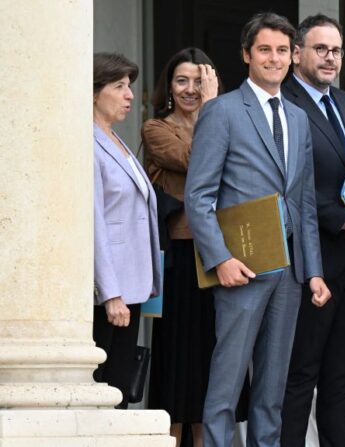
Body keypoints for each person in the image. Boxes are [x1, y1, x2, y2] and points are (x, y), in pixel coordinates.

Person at [185, 12, 331, 447]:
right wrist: (220, 259)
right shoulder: (222, 111)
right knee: (228, 381)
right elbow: (198, 196)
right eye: (265, 49)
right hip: (241, 267)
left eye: (283, 51)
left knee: (273, 386)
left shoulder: (299, 118)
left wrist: (314, 270)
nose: (274, 58)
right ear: (247, 54)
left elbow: (303, 201)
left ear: (294, 56)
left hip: (289, 271)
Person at [280, 14, 345, 447]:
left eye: (337, 50)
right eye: (321, 49)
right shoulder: (281, 105)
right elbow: (285, 185)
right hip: (309, 260)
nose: (331, 58)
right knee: (299, 376)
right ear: (297, 52)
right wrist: (343, 219)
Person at [142, 47, 248, 447]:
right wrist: (213, 106)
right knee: (177, 362)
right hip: (183, 254)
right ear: (169, 86)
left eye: (199, 81)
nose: (190, 89)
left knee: (213, 358)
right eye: (182, 80)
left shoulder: (228, 120)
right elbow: (201, 156)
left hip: (223, 252)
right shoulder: (156, 128)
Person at [92, 52, 161, 409]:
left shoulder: (116, 139)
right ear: (93, 93)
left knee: (120, 393)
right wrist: (111, 293)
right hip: (112, 294)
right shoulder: (87, 143)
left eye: (129, 86)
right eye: (119, 86)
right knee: (106, 391)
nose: (130, 95)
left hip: (132, 288)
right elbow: (94, 226)